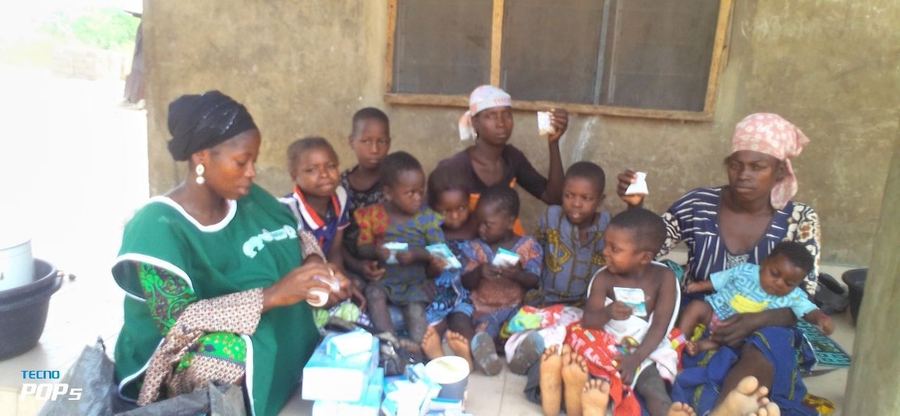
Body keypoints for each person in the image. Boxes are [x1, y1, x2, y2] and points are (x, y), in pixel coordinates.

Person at [111, 91, 356, 416]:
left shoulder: (251, 198)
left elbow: (296, 234)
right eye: (242, 162)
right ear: (201, 157)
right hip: (173, 354)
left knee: (348, 320)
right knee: (226, 356)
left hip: (273, 325)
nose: (252, 171)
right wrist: (271, 295)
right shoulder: (157, 224)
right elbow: (176, 320)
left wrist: (315, 266)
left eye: (253, 160)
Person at [617, 113, 820, 415]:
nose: (743, 175)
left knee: (767, 346)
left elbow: (803, 298)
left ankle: (725, 409)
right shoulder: (698, 203)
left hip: (768, 318)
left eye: (757, 166)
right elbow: (650, 250)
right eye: (736, 165)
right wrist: (638, 210)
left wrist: (754, 320)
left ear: (779, 172)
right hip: (700, 309)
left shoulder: (800, 220)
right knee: (666, 341)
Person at [545, 208, 678, 416]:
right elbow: (588, 320)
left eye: (614, 249)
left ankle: (668, 412)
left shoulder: (664, 278)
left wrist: (636, 359)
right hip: (603, 345)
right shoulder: (604, 278)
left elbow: (661, 324)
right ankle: (577, 398)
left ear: (644, 257)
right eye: (606, 244)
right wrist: (607, 312)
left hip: (643, 351)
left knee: (653, 388)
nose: (605, 251)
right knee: (580, 368)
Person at [506, 161, 611, 376]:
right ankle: (526, 355)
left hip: (584, 307)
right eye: (569, 195)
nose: (575, 204)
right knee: (522, 326)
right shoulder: (552, 217)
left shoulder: (608, 225)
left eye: (586, 198)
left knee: (575, 338)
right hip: (546, 299)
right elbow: (537, 247)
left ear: (600, 200)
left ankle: (542, 360)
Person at [437, 85, 569, 235]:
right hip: (468, 249)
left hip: (507, 249)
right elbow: (433, 221)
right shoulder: (454, 167)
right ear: (475, 123)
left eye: (506, 114)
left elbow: (554, 198)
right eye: (491, 115)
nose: (501, 123)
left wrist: (553, 143)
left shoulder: (512, 158)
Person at [355, 151, 444, 352]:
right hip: (385, 279)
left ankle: (418, 347)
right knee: (373, 293)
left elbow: (439, 251)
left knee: (415, 308)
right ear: (388, 193)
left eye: (421, 191)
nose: (418, 198)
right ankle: (389, 342)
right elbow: (362, 248)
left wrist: (417, 255)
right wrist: (376, 251)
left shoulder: (426, 218)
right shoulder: (374, 215)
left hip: (415, 281)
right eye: (410, 193)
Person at [679, 242, 834, 355]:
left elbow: (808, 310)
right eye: (774, 274)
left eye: (788, 283)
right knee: (695, 307)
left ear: (798, 284)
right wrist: (700, 286)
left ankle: (699, 346)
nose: (778, 283)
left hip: (738, 331)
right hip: (714, 311)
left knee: (740, 343)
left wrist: (821, 318)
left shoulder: (794, 296)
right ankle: (677, 343)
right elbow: (722, 279)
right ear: (764, 262)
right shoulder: (746, 270)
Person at [279, 136, 368, 330]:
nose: (324, 174)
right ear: (294, 175)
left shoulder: (340, 196)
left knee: (356, 289)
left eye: (330, 166)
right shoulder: (286, 212)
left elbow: (335, 250)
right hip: (296, 284)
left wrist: (343, 283)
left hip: (326, 274)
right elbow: (289, 268)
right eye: (311, 170)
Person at [459, 184, 543, 375]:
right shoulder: (474, 247)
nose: (481, 229)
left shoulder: (528, 246)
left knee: (522, 327)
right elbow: (465, 282)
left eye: (488, 224)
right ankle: (487, 356)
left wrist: (517, 275)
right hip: (484, 310)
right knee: (485, 329)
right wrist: (479, 271)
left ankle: (519, 359)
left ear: (509, 221)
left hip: (515, 307)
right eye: (478, 222)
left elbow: (535, 280)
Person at [420, 165, 479, 369]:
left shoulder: (475, 225)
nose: (455, 216)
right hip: (434, 299)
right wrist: (432, 269)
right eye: (446, 211)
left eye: (461, 208)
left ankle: (468, 357)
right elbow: (420, 271)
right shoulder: (428, 230)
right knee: (430, 333)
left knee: (463, 325)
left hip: (460, 296)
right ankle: (438, 357)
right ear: (433, 207)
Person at [341, 107, 392, 284]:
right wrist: (356, 265)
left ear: (390, 143)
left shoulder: (396, 183)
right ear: (351, 141)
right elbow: (333, 238)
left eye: (382, 141)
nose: (374, 149)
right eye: (366, 141)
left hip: (390, 265)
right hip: (348, 263)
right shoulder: (339, 186)